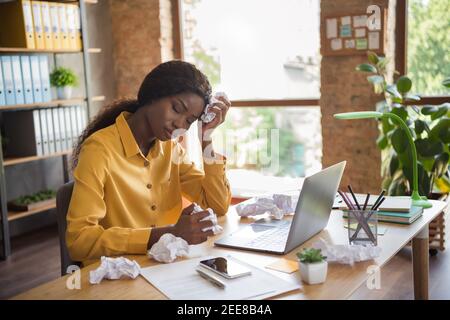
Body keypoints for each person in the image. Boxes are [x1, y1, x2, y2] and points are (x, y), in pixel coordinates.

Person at [66, 60, 231, 265]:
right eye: (177, 108)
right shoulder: (99, 150)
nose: (180, 124)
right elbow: (80, 241)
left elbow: (217, 205)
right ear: (153, 94)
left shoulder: (171, 150)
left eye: (189, 120)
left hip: (165, 269)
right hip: (116, 276)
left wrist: (207, 137)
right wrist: (166, 234)